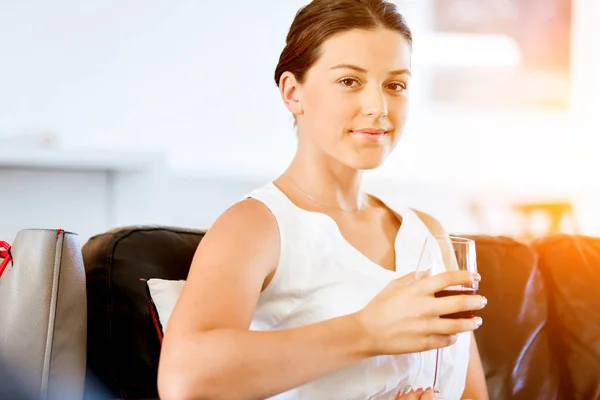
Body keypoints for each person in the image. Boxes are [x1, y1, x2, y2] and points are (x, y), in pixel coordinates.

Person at [158, 1, 489, 399]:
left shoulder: (428, 235)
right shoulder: (255, 226)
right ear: (293, 92)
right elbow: (184, 379)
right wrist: (368, 330)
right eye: (350, 81)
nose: (378, 108)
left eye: (395, 85)